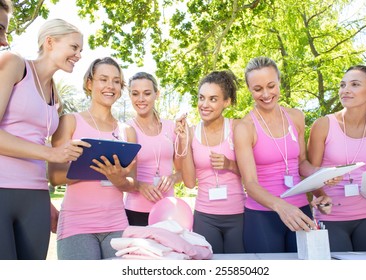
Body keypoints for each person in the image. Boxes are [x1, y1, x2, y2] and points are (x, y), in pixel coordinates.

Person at [0, 18, 86, 260]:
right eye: (74, 47)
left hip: (36, 196)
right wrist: (51, 153)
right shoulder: (15, 64)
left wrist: (46, 202)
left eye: (80, 50)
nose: (78, 55)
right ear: (50, 42)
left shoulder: (54, 93)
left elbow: (35, 141)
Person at [233, 56, 332, 253]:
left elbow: (301, 163)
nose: (266, 94)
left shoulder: (296, 116)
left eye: (271, 85)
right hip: (262, 216)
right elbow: (250, 184)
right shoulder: (244, 127)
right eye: (258, 89)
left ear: (279, 81)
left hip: (300, 211)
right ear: (249, 89)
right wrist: (281, 207)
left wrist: (320, 174)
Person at [48, 57, 138, 260]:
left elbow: (132, 184)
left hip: (117, 224)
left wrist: (119, 179)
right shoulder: (69, 122)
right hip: (76, 225)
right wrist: (93, 167)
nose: (110, 86)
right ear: (89, 83)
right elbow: (54, 176)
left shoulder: (127, 131)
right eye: (103, 79)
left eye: (116, 81)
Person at [308, 65, 366, 252]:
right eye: (342, 85)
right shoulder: (323, 125)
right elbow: (310, 174)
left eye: (354, 84)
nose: (345, 90)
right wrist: (321, 196)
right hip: (331, 216)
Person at [175, 70, 246, 253]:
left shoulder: (237, 127)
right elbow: (190, 183)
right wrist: (184, 140)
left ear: (226, 102)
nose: (204, 105)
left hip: (238, 214)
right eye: (201, 98)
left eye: (213, 99)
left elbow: (253, 174)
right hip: (205, 216)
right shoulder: (191, 132)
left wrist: (229, 164)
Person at [124, 72, 182, 226]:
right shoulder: (125, 129)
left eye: (147, 93)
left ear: (157, 94)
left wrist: (173, 178)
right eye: (135, 94)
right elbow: (122, 177)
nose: (141, 99)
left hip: (168, 210)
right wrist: (140, 185)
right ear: (130, 96)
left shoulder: (172, 127)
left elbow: (183, 171)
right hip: (135, 210)